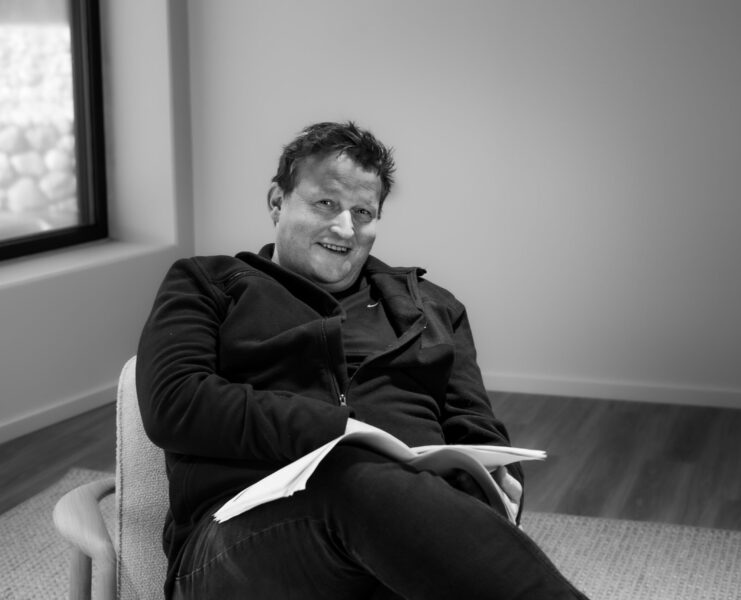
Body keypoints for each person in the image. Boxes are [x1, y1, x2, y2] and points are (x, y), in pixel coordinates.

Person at [136, 121, 589, 599]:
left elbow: (475, 426)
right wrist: (342, 432)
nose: (345, 228)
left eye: (363, 212)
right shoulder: (207, 284)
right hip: (239, 546)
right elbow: (174, 402)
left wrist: (495, 480)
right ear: (277, 201)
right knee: (351, 473)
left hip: (404, 532)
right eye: (325, 204)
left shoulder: (433, 306)